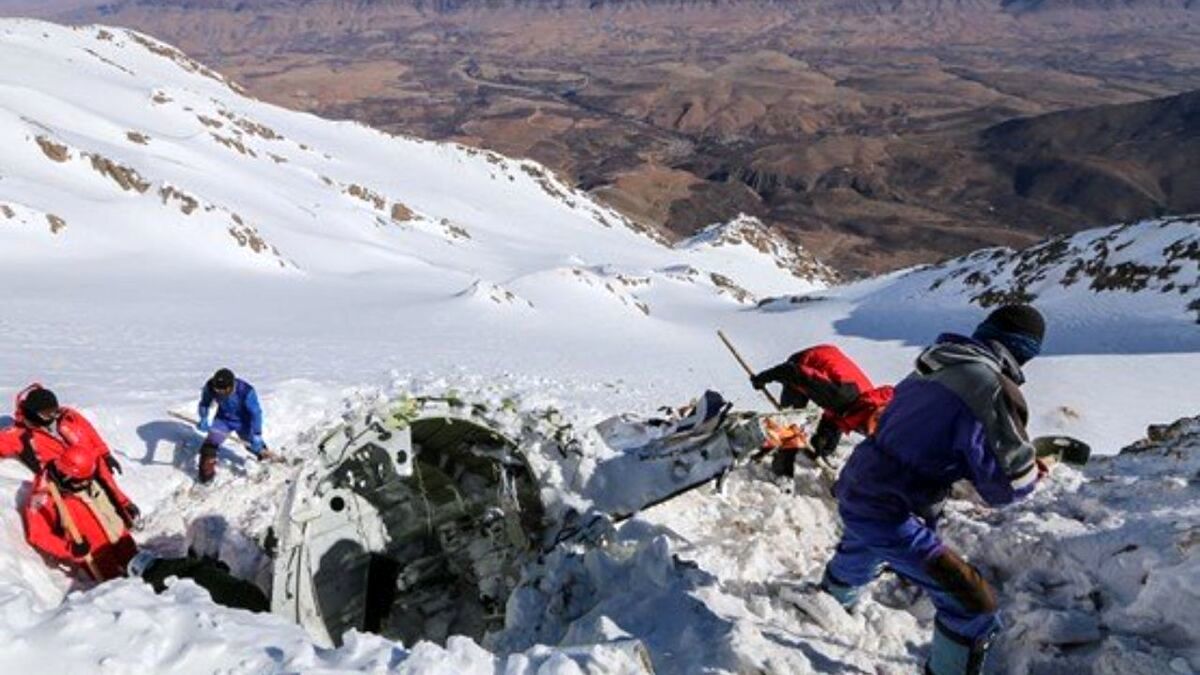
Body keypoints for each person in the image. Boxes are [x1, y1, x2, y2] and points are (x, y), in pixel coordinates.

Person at [819, 304, 1048, 675]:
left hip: (861, 482)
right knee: (974, 604)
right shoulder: (988, 386)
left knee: (864, 544)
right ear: (1024, 350)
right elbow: (1005, 488)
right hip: (892, 504)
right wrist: (1033, 472)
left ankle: (828, 600)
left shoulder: (939, 362)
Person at [22, 445, 268, 612]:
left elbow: (107, 489)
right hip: (95, 550)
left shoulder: (84, 474)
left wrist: (124, 505)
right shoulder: (44, 496)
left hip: (117, 534)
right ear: (68, 475)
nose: (88, 482)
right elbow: (38, 535)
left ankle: (151, 582)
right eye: (83, 480)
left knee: (140, 568)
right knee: (119, 587)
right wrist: (70, 549)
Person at [750, 344, 893, 475]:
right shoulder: (840, 397)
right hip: (808, 361)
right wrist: (763, 377)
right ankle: (779, 468)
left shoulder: (867, 405)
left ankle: (819, 449)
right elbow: (792, 371)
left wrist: (822, 445)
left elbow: (841, 417)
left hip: (834, 368)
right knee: (791, 419)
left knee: (832, 425)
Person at [0, 384, 126, 478]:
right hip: (65, 484)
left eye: (55, 411)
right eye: (47, 414)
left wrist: (105, 454)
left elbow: (90, 433)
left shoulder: (68, 416)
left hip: (91, 472)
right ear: (33, 413)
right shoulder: (20, 435)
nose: (53, 416)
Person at [194, 368, 273, 483]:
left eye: (224, 391)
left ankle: (267, 461)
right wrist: (203, 417)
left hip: (244, 422)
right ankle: (206, 477)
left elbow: (256, 413)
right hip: (223, 420)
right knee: (210, 445)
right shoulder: (211, 386)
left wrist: (257, 434)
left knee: (254, 446)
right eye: (218, 390)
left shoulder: (246, 391)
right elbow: (205, 402)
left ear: (232, 385)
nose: (221, 393)